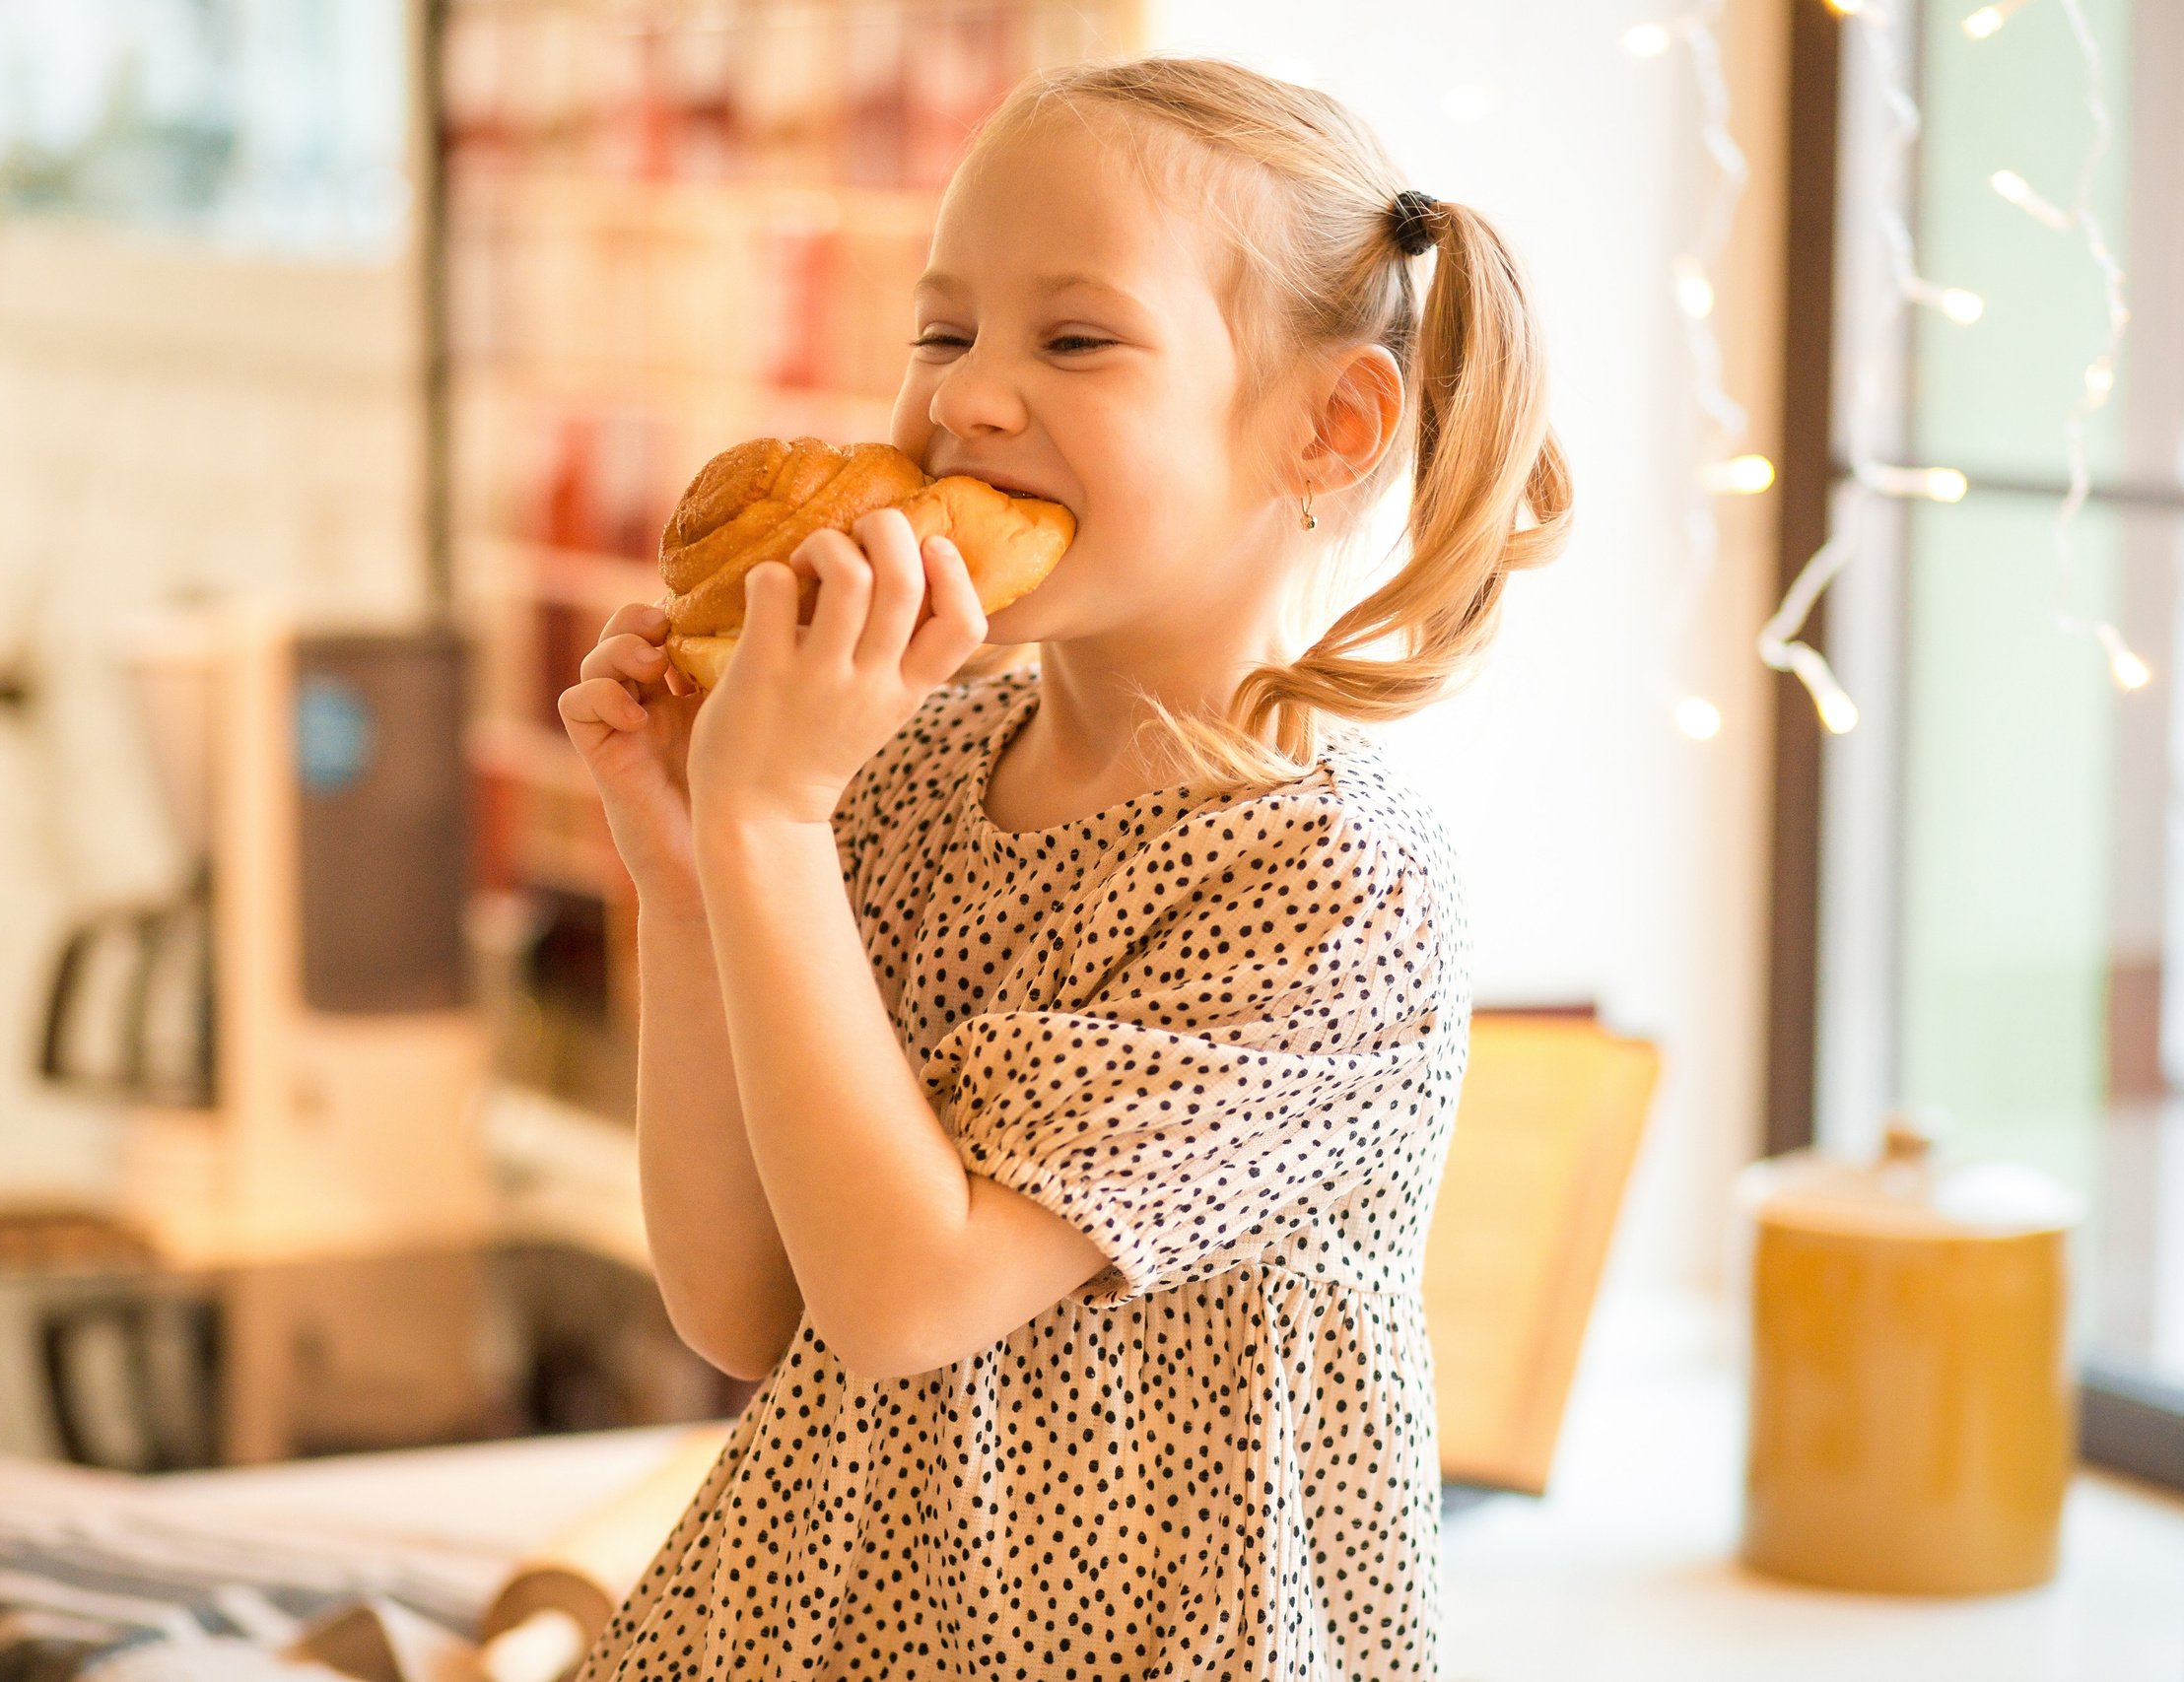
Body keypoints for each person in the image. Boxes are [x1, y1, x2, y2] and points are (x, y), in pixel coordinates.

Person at [557, 55, 1569, 1681]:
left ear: (1329, 428)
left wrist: (770, 826)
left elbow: (908, 1297)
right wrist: (691, 870)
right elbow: (740, 1305)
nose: (967, 398)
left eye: (1075, 339)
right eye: (944, 332)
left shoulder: (1332, 888)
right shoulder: (904, 773)